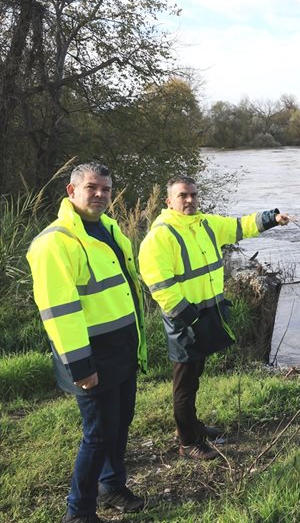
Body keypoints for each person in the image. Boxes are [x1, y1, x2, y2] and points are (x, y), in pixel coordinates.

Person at [138, 175, 290, 460]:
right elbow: (158, 284)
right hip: (184, 319)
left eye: (193, 195)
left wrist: (272, 218)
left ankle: (192, 426)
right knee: (184, 383)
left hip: (207, 313)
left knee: (196, 376)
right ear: (168, 201)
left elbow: (239, 226)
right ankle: (187, 442)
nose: (190, 200)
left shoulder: (206, 224)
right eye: (183, 195)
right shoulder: (160, 235)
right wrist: (188, 316)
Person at [27, 163, 147, 523]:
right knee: (98, 434)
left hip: (122, 347)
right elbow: (59, 311)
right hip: (91, 355)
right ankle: (78, 511)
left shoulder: (107, 227)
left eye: (106, 189)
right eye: (92, 187)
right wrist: (81, 366)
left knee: (120, 422)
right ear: (71, 191)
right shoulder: (54, 242)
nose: (100, 195)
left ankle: (112, 486)